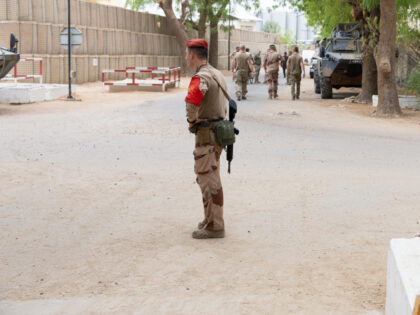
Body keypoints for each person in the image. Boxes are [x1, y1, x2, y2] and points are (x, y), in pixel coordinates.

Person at [185, 39, 227, 239]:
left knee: (209, 180)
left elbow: (191, 104)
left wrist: (191, 121)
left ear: (192, 55)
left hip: (206, 135)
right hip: (217, 134)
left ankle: (215, 226)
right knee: (209, 177)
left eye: (187, 54)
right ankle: (209, 218)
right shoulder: (217, 74)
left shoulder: (200, 77)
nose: (186, 58)